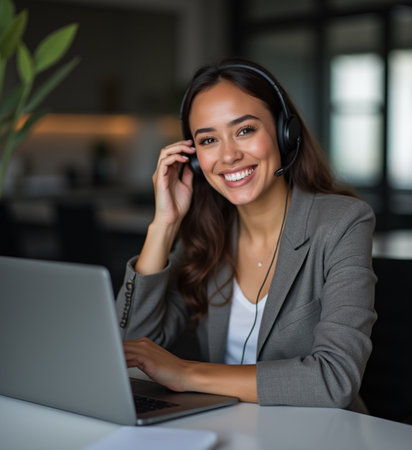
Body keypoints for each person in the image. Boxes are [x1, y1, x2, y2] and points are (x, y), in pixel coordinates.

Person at [115, 58, 377, 412]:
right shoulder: (208, 233)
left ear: (286, 132)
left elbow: (335, 380)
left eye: (244, 130)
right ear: (194, 158)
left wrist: (185, 373)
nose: (229, 155)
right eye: (208, 140)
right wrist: (164, 224)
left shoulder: (342, 222)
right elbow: (131, 346)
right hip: (228, 428)